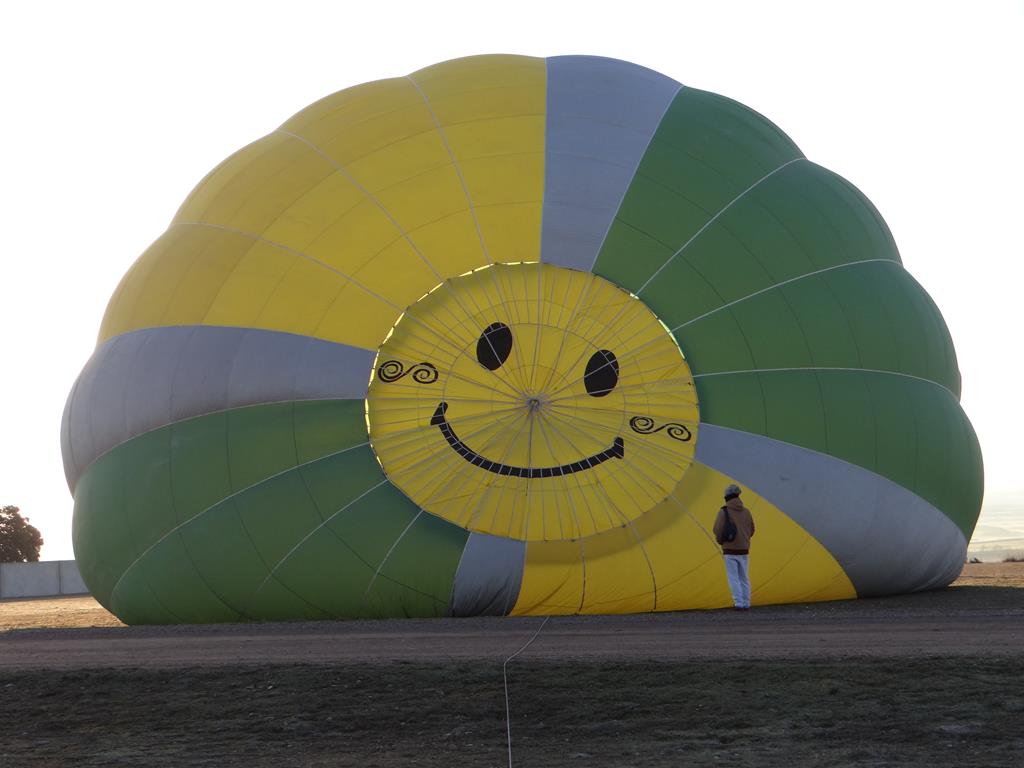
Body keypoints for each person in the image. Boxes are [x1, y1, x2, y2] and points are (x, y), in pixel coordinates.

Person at [713, 483, 755, 610]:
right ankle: (747, 603)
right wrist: (745, 539)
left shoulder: (723, 511)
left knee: (733, 578)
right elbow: (752, 529)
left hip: (729, 550)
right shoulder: (747, 512)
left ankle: (739, 603)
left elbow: (717, 529)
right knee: (744, 578)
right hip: (744, 549)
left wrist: (721, 542)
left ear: (727, 497)